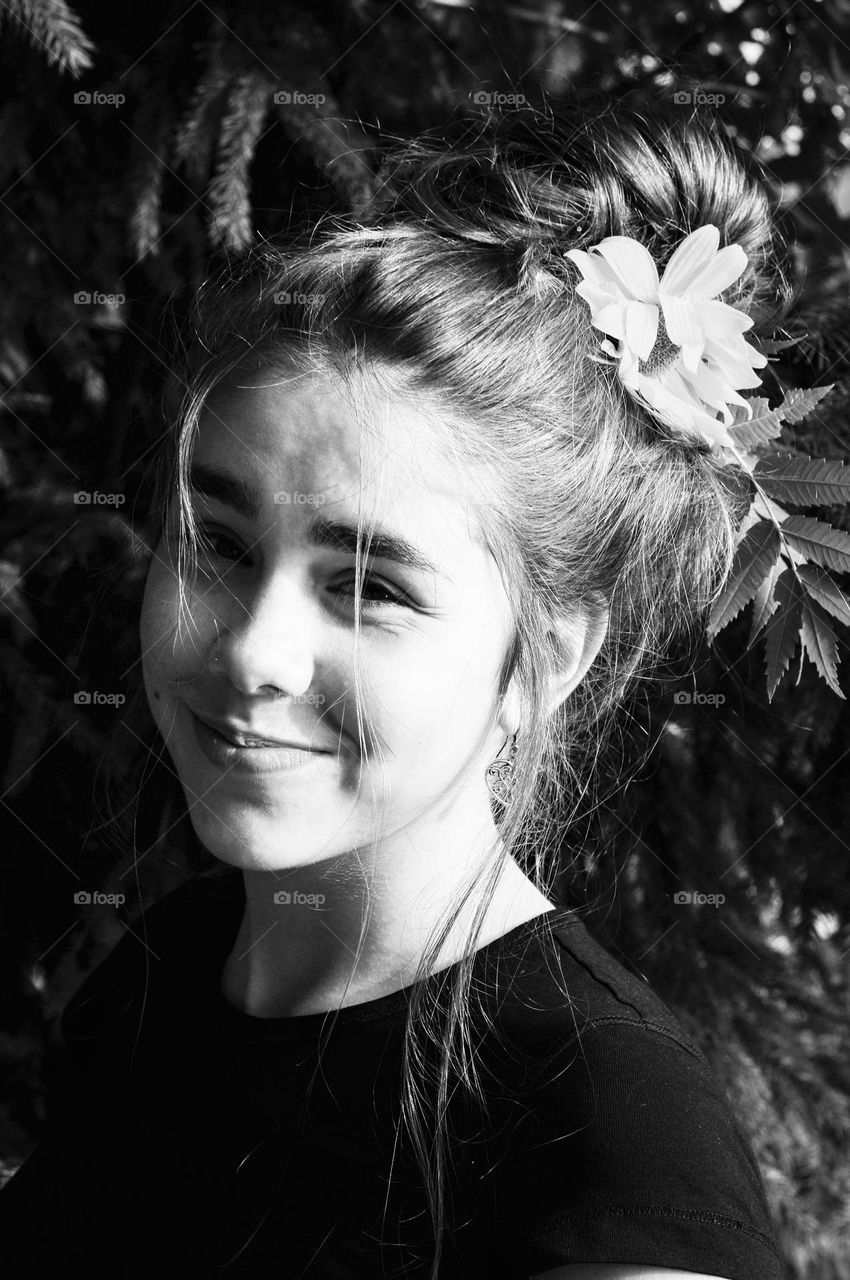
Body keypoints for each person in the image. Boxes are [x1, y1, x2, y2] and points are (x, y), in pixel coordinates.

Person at [0, 98, 789, 1279]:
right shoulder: (165, 974)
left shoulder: (612, 1147)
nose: (251, 651)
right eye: (217, 541)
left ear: (549, 656)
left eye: (369, 587)